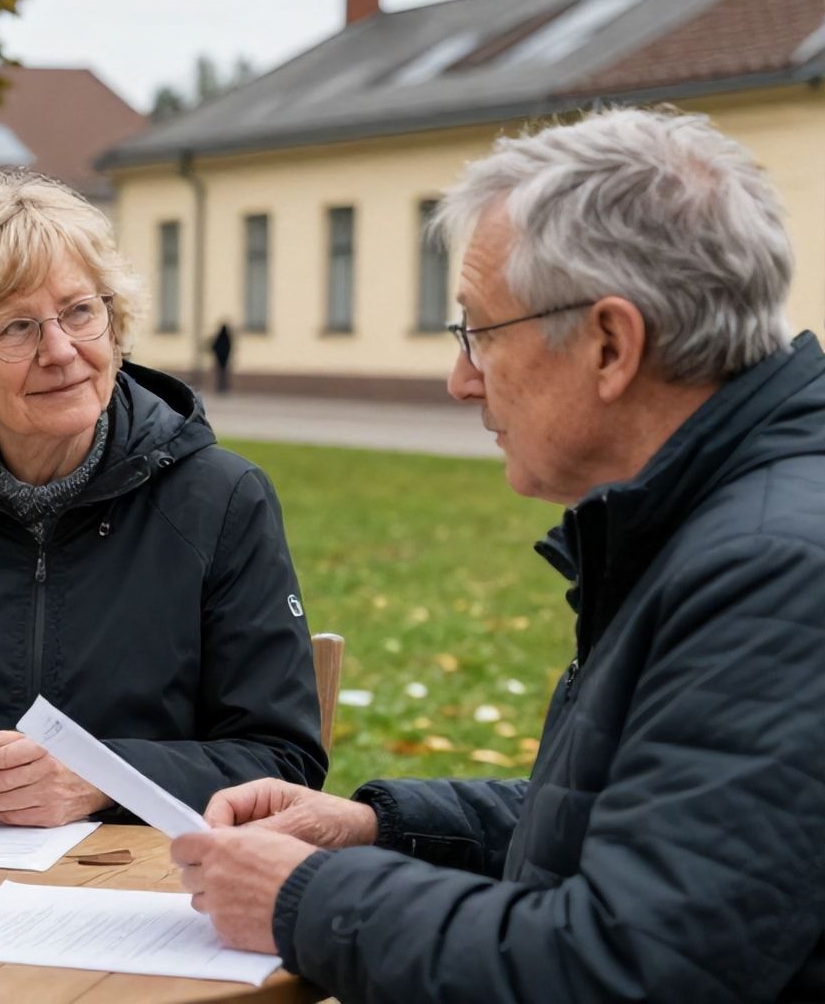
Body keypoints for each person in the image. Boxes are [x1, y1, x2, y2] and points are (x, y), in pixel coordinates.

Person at [173, 107, 825, 1001]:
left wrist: (305, 899)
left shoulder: (774, 569)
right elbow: (651, 826)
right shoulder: (719, 521)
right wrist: (376, 828)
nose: (460, 379)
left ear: (610, 344)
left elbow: (632, 966)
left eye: (480, 331)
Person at [0, 171, 326, 828]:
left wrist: (99, 779)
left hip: (142, 889)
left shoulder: (221, 500)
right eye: (15, 327)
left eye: (79, 311)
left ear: (113, 320)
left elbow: (282, 761)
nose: (61, 351)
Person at [210, 321, 234, 394]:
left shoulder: (220, 337)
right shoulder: (227, 338)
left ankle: (220, 387)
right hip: (224, 359)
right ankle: (223, 388)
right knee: (223, 374)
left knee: (220, 374)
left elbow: (214, 346)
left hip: (219, 359)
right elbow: (229, 348)